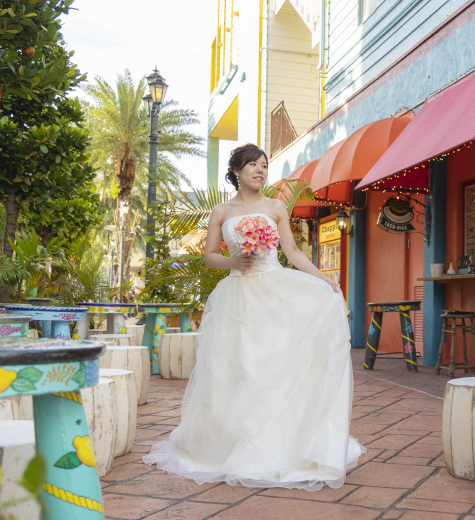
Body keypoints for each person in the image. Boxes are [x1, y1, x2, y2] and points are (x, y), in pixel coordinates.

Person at [143, 144, 365, 490]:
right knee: (237, 368)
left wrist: (323, 279)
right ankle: (231, 442)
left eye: (264, 166)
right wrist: (236, 261)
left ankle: (280, 442)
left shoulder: (276, 207)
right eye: (253, 166)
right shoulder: (221, 211)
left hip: (274, 291)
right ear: (236, 171)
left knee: (272, 364)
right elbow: (210, 257)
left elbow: (291, 252)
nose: (260, 171)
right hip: (237, 296)